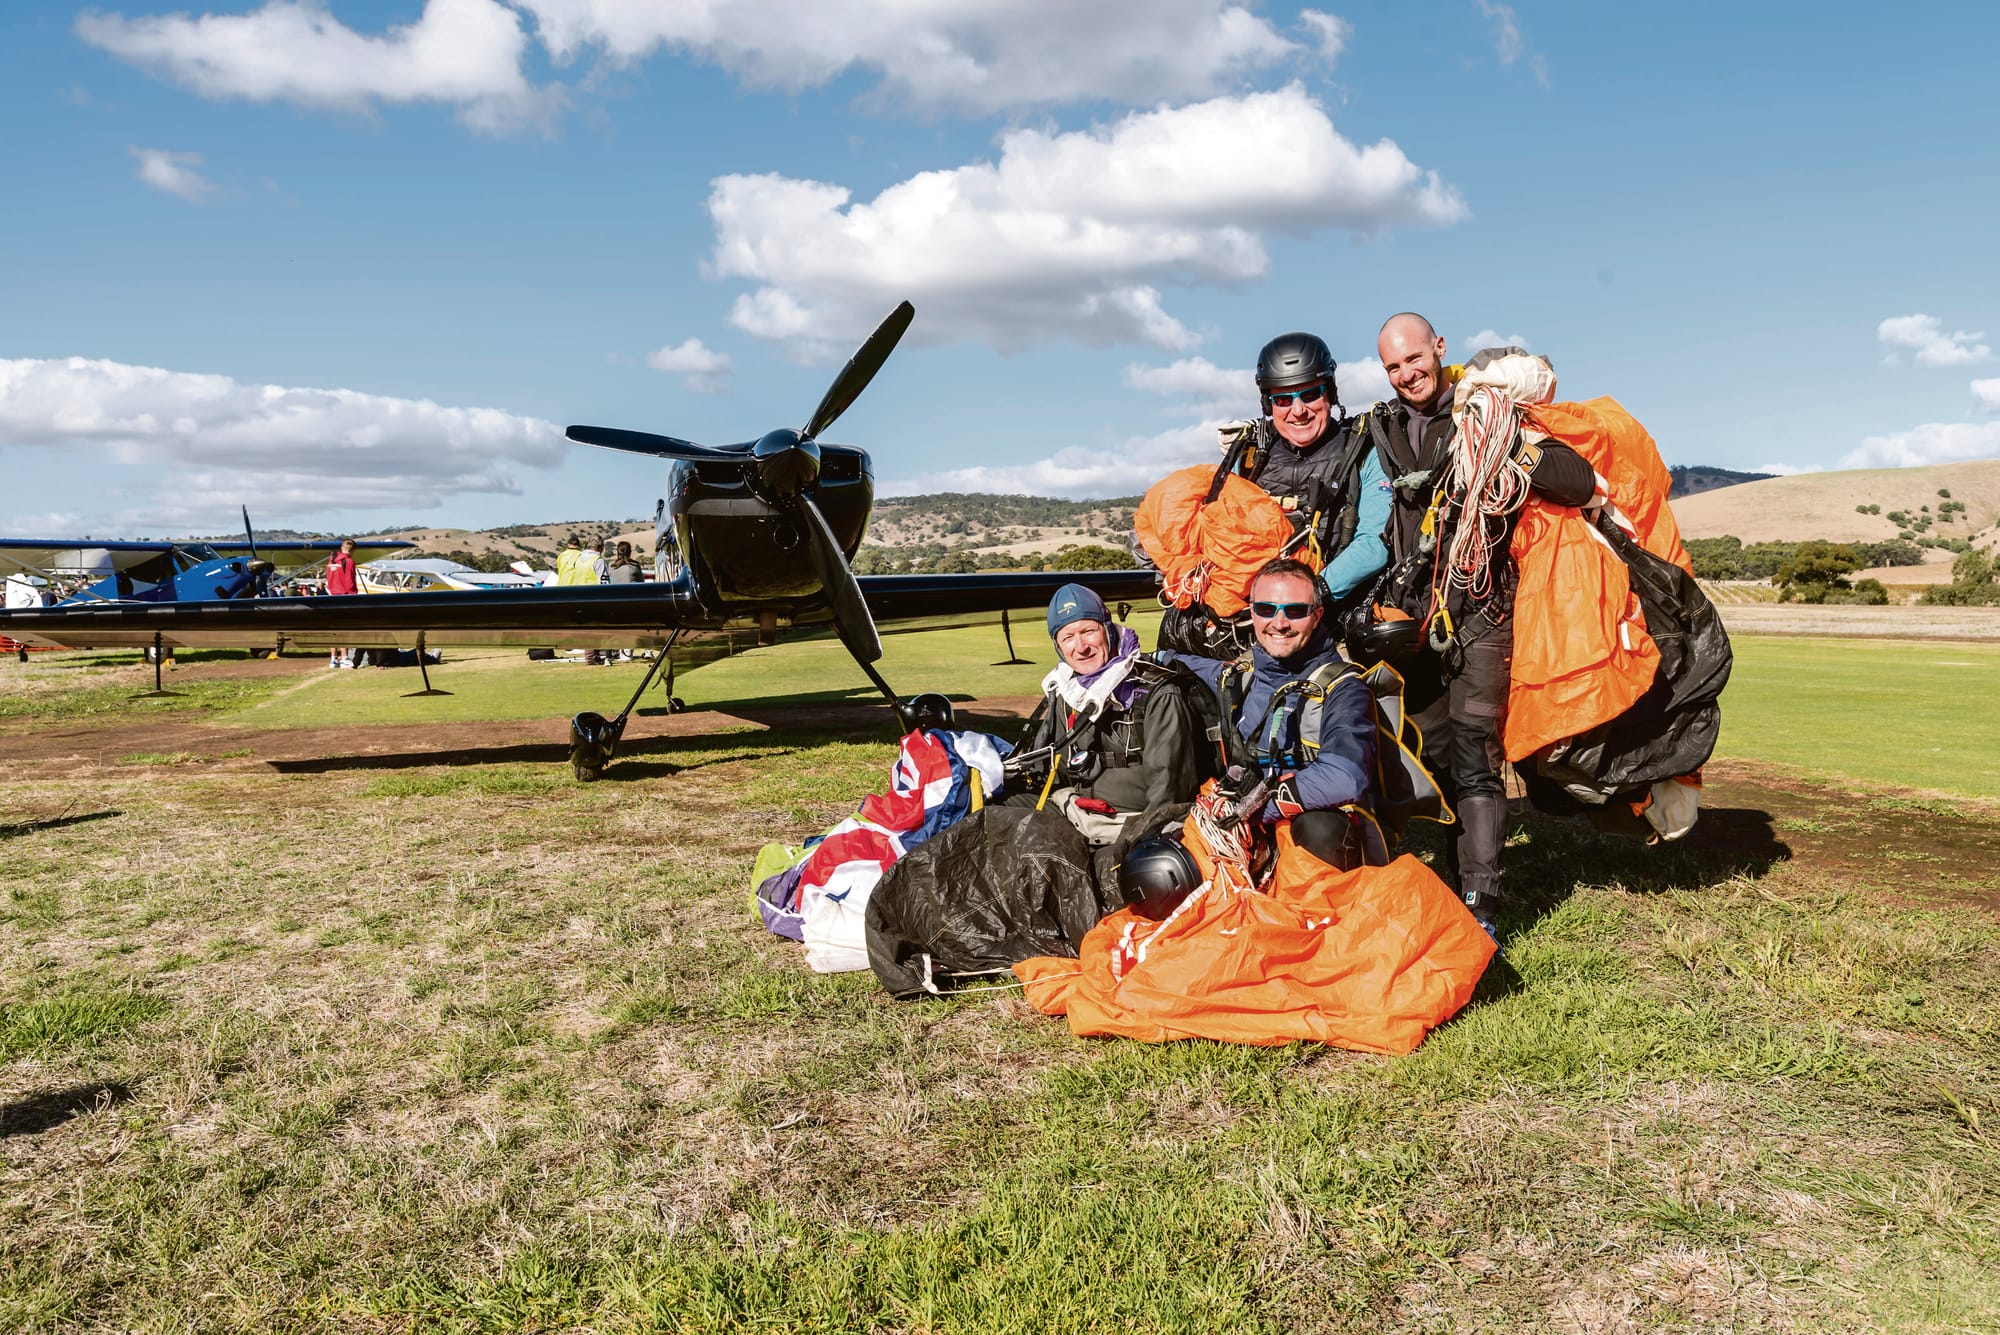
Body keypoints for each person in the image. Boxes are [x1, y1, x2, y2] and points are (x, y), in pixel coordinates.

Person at [1356, 313, 1598, 936]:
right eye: (1393, 366)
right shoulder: (1381, 429)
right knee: (1435, 754)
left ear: (1439, 348)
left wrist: (1502, 439)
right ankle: (1455, 879)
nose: (1407, 374)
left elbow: (1577, 482)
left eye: (1415, 358)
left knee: (1475, 758)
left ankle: (1481, 905)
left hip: (1482, 614)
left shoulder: (1490, 413)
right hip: (1415, 627)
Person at [1160, 558, 1378, 869]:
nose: (1279, 623)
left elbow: (1346, 777)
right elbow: (1196, 666)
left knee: (1320, 829)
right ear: (1252, 612)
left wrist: (1249, 809)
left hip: (1308, 834)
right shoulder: (1247, 674)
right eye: (1266, 609)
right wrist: (1145, 656)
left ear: (1317, 615)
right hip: (1248, 828)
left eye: (1295, 611)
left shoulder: (1343, 688)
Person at [1002, 583, 1212, 844]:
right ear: (1058, 646)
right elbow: (1049, 771)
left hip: (1130, 826)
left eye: (1088, 631)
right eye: (1068, 637)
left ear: (1108, 629)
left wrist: (1137, 846)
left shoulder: (1159, 694)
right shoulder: (1068, 694)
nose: (1081, 647)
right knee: (991, 810)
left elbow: (1167, 800)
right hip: (1076, 813)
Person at [1236, 333, 1393, 610]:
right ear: (1268, 405)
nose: (1298, 410)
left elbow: (1374, 544)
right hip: (1262, 611)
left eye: (1310, 395)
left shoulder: (1363, 450)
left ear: (1329, 393)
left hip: (1337, 609)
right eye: (1283, 399)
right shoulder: (1251, 460)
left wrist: (1309, 593)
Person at [325, 537, 358, 669]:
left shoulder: (331, 560)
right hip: (344, 597)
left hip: (332, 596)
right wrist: (353, 597)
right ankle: (344, 657)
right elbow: (350, 581)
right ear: (353, 550)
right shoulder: (348, 561)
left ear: (341, 547)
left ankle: (333, 658)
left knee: (334, 629)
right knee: (345, 628)